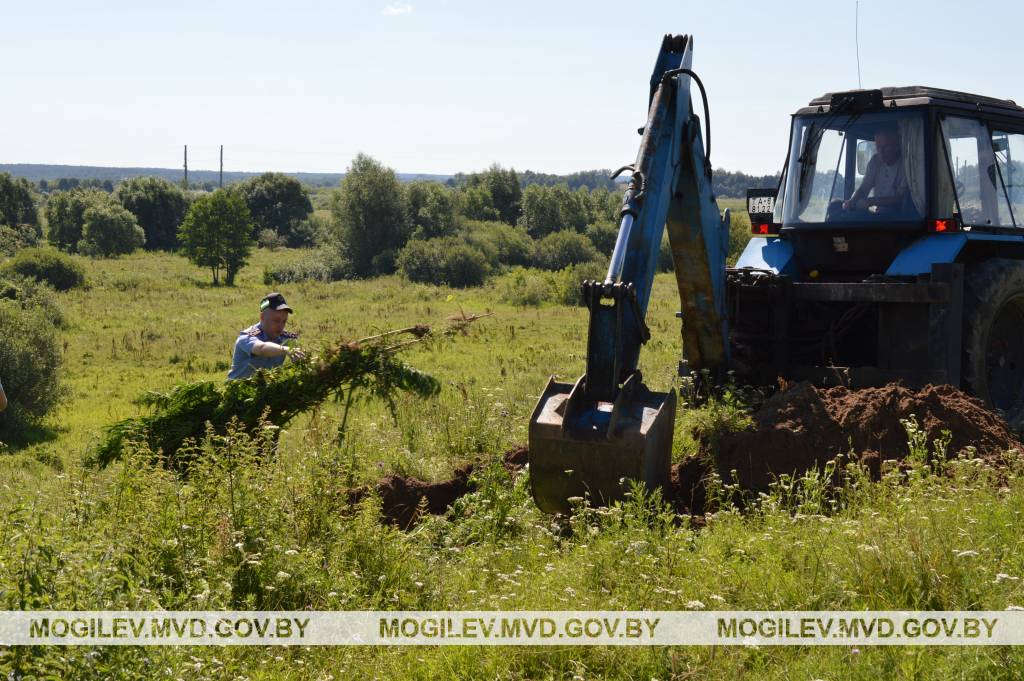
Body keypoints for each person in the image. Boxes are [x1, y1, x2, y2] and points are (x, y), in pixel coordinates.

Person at [227, 292, 306, 380]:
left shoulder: (287, 339)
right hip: (238, 390)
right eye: (276, 320)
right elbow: (261, 349)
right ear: (262, 317)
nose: (281, 326)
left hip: (267, 391)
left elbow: (301, 364)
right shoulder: (246, 337)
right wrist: (287, 349)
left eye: (284, 321)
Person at [842, 124, 908, 213]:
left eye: (886, 147)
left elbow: (901, 198)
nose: (881, 152)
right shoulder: (875, 161)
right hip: (878, 216)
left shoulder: (906, 165)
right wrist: (851, 201)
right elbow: (864, 187)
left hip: (900, 218)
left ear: (896, 145)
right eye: (878, 147)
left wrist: (871, 201)